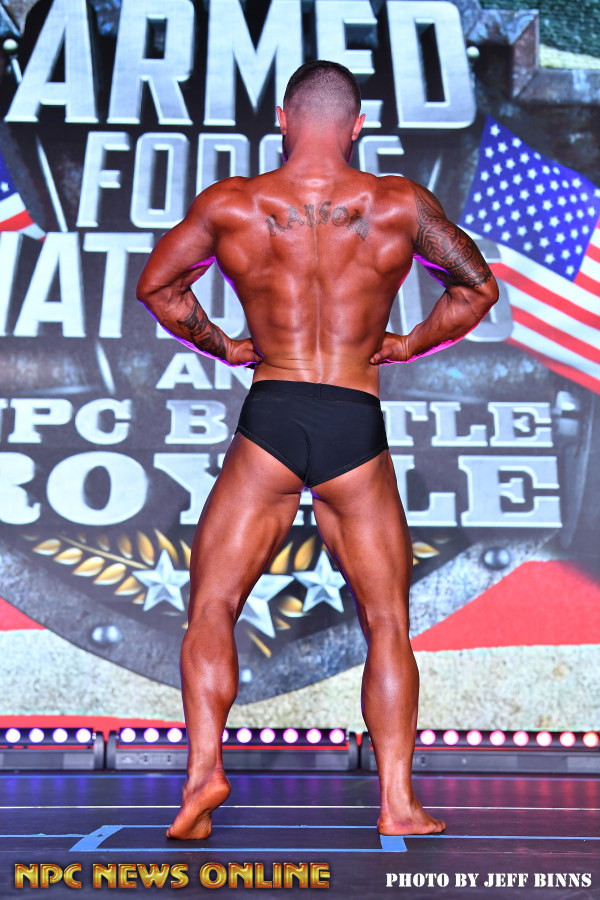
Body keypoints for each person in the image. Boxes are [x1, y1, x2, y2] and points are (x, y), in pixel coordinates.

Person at [136, 59, 499, 841]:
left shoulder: (234, 204)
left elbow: (159, 287)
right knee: (387, 619)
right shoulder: (398, 203)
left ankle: (203, 773)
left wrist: (225, 344)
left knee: (212, 604)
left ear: (281, 119)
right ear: (357, 126)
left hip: (273, 413)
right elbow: (476, 287)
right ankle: (397, 801)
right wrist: (408, 342)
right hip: (353, 420)